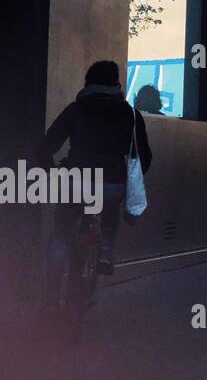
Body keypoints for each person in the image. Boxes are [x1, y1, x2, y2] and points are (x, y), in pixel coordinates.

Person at [40, 60, 153, 298]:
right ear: (117, 84)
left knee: (61, 233)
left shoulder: (75, 110)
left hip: (75, 181)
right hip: (112, 183)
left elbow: (45, 148)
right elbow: (144, 157)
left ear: (87, 83)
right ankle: (106, 248)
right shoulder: (130, 114)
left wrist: (50, 169)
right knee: (109, 205)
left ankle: (51, 299)